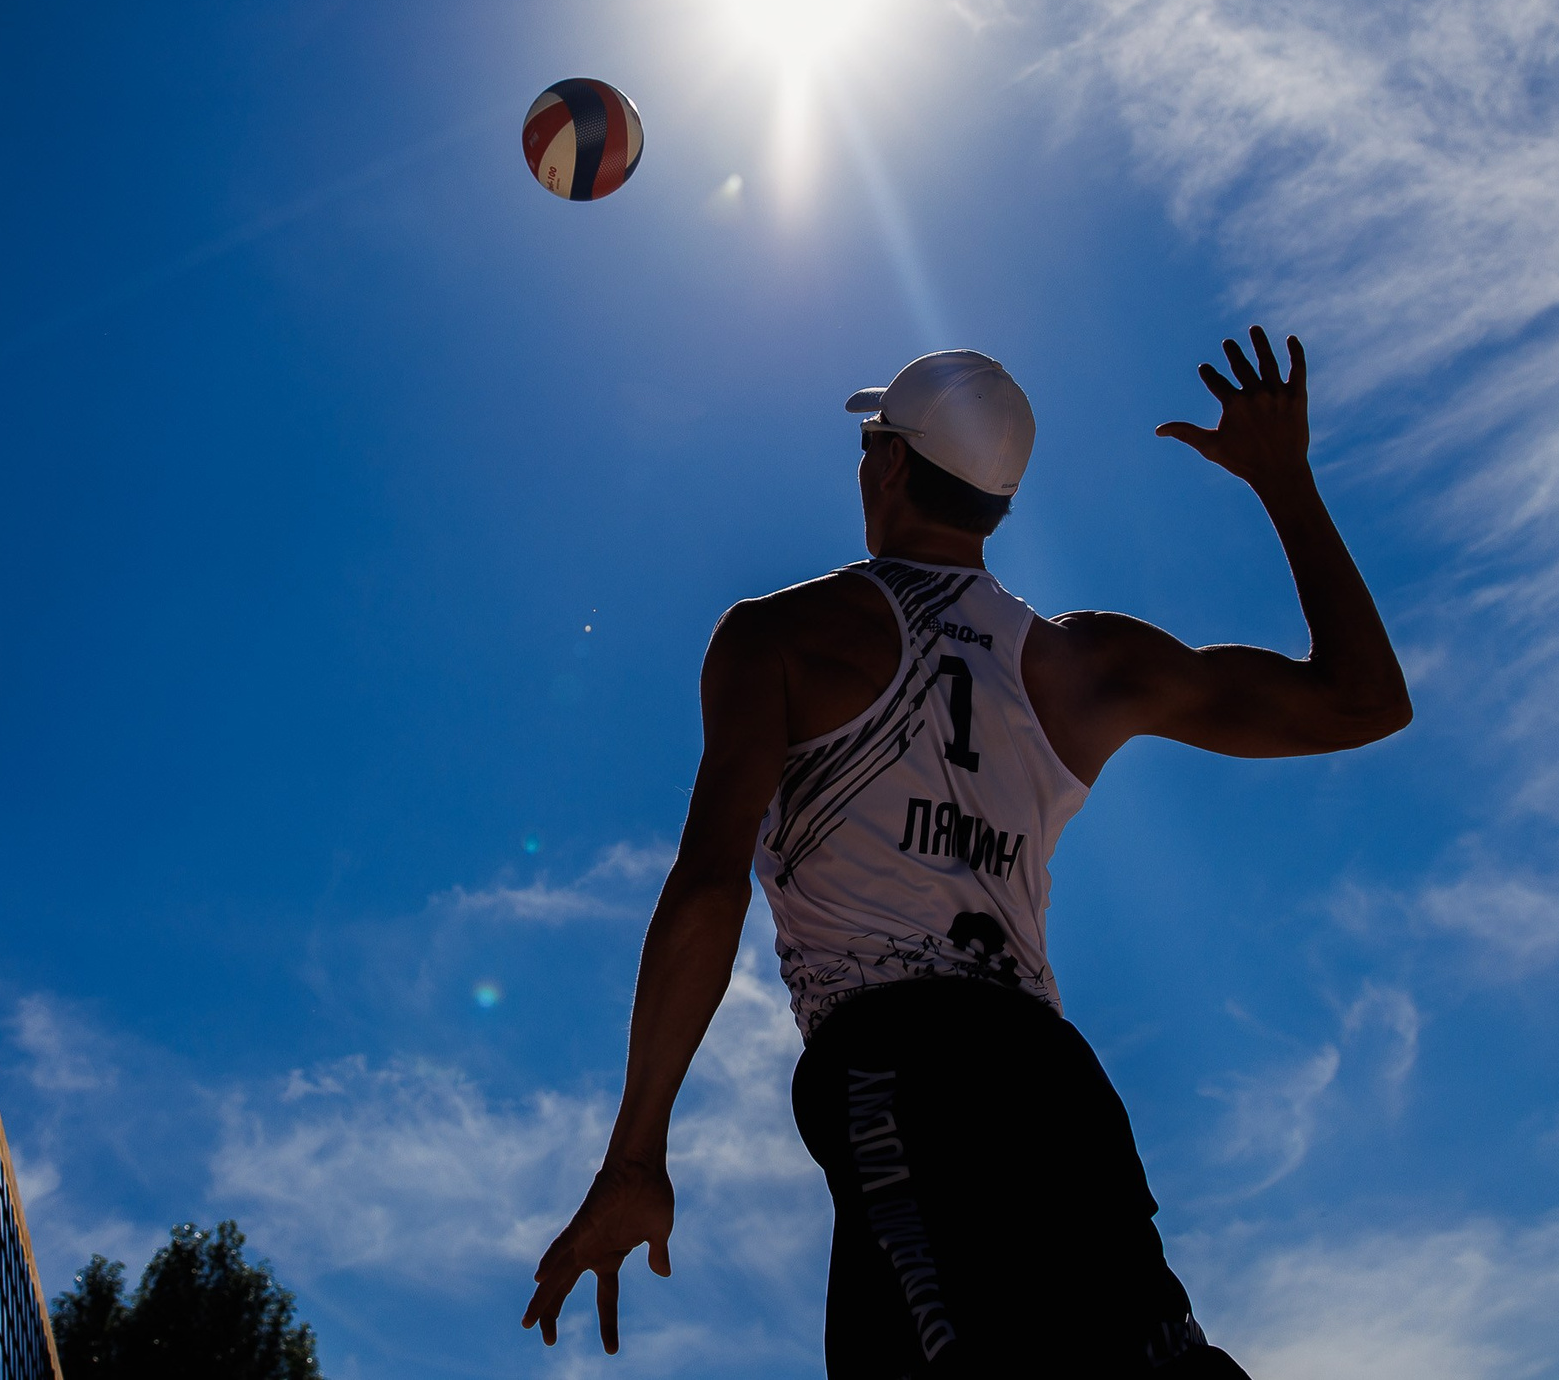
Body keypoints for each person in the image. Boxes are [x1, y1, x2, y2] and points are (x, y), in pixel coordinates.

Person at [521, 332, 1412, 1377]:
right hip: (1053, 1088)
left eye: (870, 444)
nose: (864, 462)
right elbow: (1364, 701)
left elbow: (709, 884)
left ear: (892, 464)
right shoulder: (1084, 665)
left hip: (901, 1068)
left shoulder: (784, 638)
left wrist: (636, 1152)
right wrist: (1284, 481)